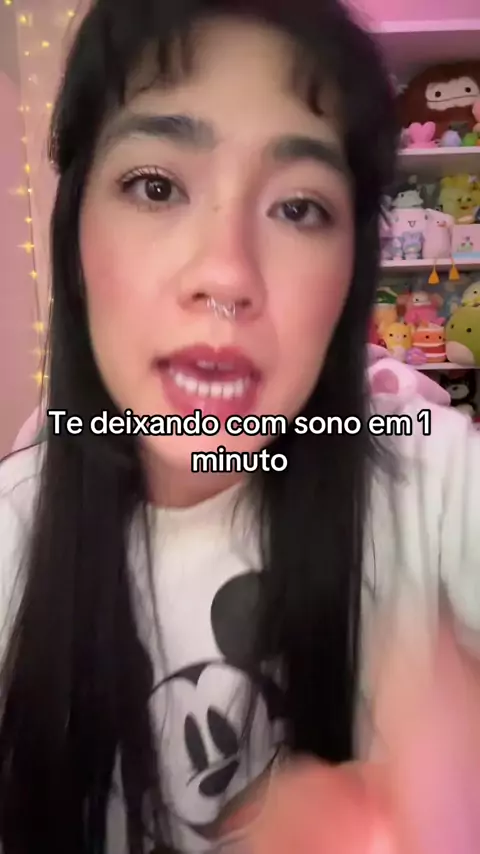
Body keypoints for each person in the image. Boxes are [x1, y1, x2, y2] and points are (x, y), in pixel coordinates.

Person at [0, 0, 479, 852]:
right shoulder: (11, 538)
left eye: (299, 208)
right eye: (156, 187)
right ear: (75, 234)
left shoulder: (435, 484)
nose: (226, 275)